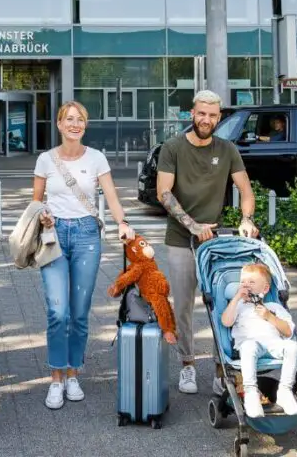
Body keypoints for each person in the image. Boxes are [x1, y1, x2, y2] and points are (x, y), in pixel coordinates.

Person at [32, 100, 135, 410]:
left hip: (88, 236)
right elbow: (35, 202)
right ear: (60, 125)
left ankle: (73, 373)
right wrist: (43, 217)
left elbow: (113, 197)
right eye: (69, 119)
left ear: (84, 125)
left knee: (78, 312)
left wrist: (122, 223)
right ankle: (55, 379)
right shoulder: (46, 160)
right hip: (54, 237)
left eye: (80, 120)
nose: (74, 124)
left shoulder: (97, 158)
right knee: (57, 311)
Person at [156, 89, 259, 396]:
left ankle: (221, 367)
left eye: (213, 115)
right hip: (180, 239)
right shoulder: (172, 148)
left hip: (216, 242)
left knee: (224, 303)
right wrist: (192, 225)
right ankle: (187, 364)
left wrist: (246, 219)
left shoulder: (227, 149)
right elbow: (164, 193)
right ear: (192, 114)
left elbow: (246, 190)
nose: (206, 119)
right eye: (201, 113)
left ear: (219, 117)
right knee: (185, 306)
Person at [219, 263, 297, 418]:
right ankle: (250, 392)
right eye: (243, 282)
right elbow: (226, 322)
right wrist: (236, 299)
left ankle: (285, 390)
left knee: (293, 347)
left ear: (265, 289)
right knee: (249, 346)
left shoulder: (273, 307)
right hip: (250, 346)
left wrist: (270, 317)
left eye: (251, 282)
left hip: (274, 345)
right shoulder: (239, 306)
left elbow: (288, 331)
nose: (246, 285)